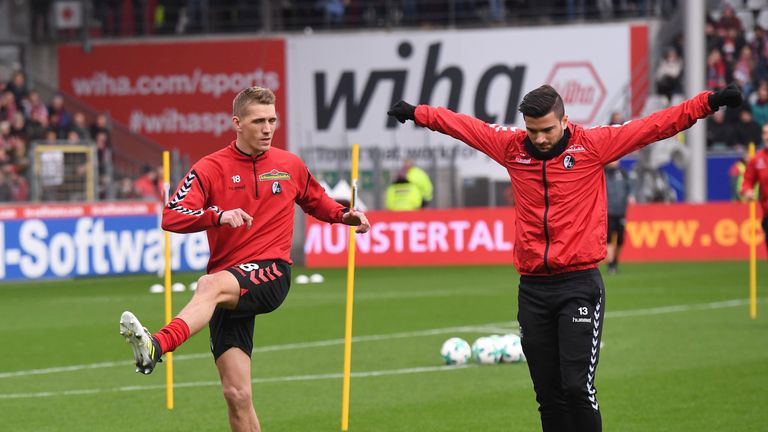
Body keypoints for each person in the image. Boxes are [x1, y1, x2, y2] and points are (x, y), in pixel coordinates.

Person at [387, 83, 742, 432]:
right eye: (532, 130)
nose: (539, 138)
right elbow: (463, 126)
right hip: (533, 289)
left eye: (546, 130)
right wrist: (419, 113)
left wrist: (708, 102)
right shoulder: (511, 148)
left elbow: (655, 125)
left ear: (564, 120)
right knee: (548, 395)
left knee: (576, 388)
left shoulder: (592, 145)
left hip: (578, 285)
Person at [119, 87, 370, 432]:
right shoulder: (210, 168)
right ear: (237, 123)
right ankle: (156, 347)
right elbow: (171, 215)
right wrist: (216, 216)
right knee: (236, 395)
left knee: (208, 284)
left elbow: (317, 201)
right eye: (258, 121)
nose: (268, 129)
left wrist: (344, 216)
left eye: (272, 121)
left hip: (271, 272)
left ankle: (157, 345)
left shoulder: (289, 165)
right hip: (228, 286)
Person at [604, 160, 635, 275]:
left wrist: (631, 195)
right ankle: (611, 264)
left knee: (621, 239)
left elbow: (630, 187)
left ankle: (615, 261)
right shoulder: (603, 174)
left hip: (621, 211)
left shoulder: (623, 174)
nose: (615, 162)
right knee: (609, 238)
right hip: (608, 211)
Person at [742, 123, 768, 254]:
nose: (767, 137)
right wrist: (747, 191)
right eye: (765, 133)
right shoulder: (757, 159)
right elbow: (747, 181)